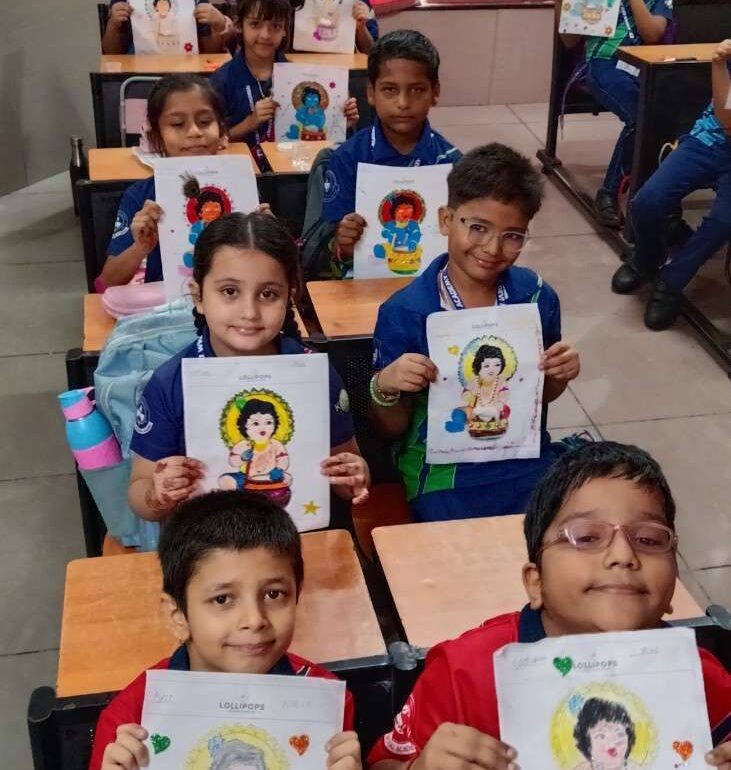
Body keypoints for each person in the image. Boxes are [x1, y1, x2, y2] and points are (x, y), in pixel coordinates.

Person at [367, 442, 731, 770]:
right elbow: (384, 763)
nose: (622, 555)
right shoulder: (463, 673)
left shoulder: (700, 677)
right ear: (535, 581)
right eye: (586, 537)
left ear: (673, 585)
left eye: (648, 540)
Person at [369, 144, 580, 522]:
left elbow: (538, 397)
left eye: (513, 235)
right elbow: (391, 429)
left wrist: (559, 374)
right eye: (478, 228)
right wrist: (386, 385)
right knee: (456, 546)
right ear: (446, 219)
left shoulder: (536, 297)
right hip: (442, 474)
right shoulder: (405, 311)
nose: (492, 248)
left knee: (557, 532)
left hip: (523, 460)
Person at [89, 490, 363, 770]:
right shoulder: (130, 720)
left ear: (297, 595)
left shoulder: (324, 703)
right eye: (222, 599)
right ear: (178, 616)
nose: (255, 620)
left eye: (274, 594)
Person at [128, 212, 370, 521]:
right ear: (198, 296)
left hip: (299, 535)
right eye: (230, 291)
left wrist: (354, 476)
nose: (250, 312)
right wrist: (156, 494)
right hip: (209, 540)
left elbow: (347, 468)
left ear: (289, 296)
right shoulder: (170, 382)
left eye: (268, 294)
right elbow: (138, 490)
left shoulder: (314, 373)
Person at [610, 39, 731, 330]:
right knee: (646, 203)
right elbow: (727, 120)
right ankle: (647, 259)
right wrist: (718, 64)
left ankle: (671, 281)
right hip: (711, 140)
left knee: (723, 221)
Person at [321, 29, 461, 277]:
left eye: (416, 90)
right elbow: (330, 249)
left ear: (435, 92)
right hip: (363, 282)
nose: (403, 103)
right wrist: (344, 243)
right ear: (370, 93)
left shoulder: (452, 163)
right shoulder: (348, 157)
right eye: (390, 90)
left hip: (431, 281)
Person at [99, 74, 229, 288]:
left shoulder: (241, 185)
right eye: (177, 124)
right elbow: (106, 282)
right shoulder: (141, 196)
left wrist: (270, 236)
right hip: (167, 304)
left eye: (205, 122)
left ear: (222, 130)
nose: (194, 132)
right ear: (157, 137)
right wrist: (140, 248)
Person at [209, 0, 359, 171]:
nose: (265, 35)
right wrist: (249, 123)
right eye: (255, 24)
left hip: (292, 173)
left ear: (285, 29)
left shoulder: (299, 79)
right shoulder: (222, 80)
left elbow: (317, 139)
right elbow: (213, 139)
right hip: (243, 173)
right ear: (239, 25)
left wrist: (341, 122)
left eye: (275, 26)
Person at [568, 0, 674, 227]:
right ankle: (609, 192)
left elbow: (652, 33)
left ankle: (658, 195)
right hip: (603, 62)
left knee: (667, 114)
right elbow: (570, 40)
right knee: (639, 118)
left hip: (643, 65)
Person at [101, 0, 233, 54]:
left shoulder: (195, 1)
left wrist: (218, 24)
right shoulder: (125, 2)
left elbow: (210, 52)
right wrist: (113, 25)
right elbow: (111, 54)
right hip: (138, 76)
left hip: (189, 74)